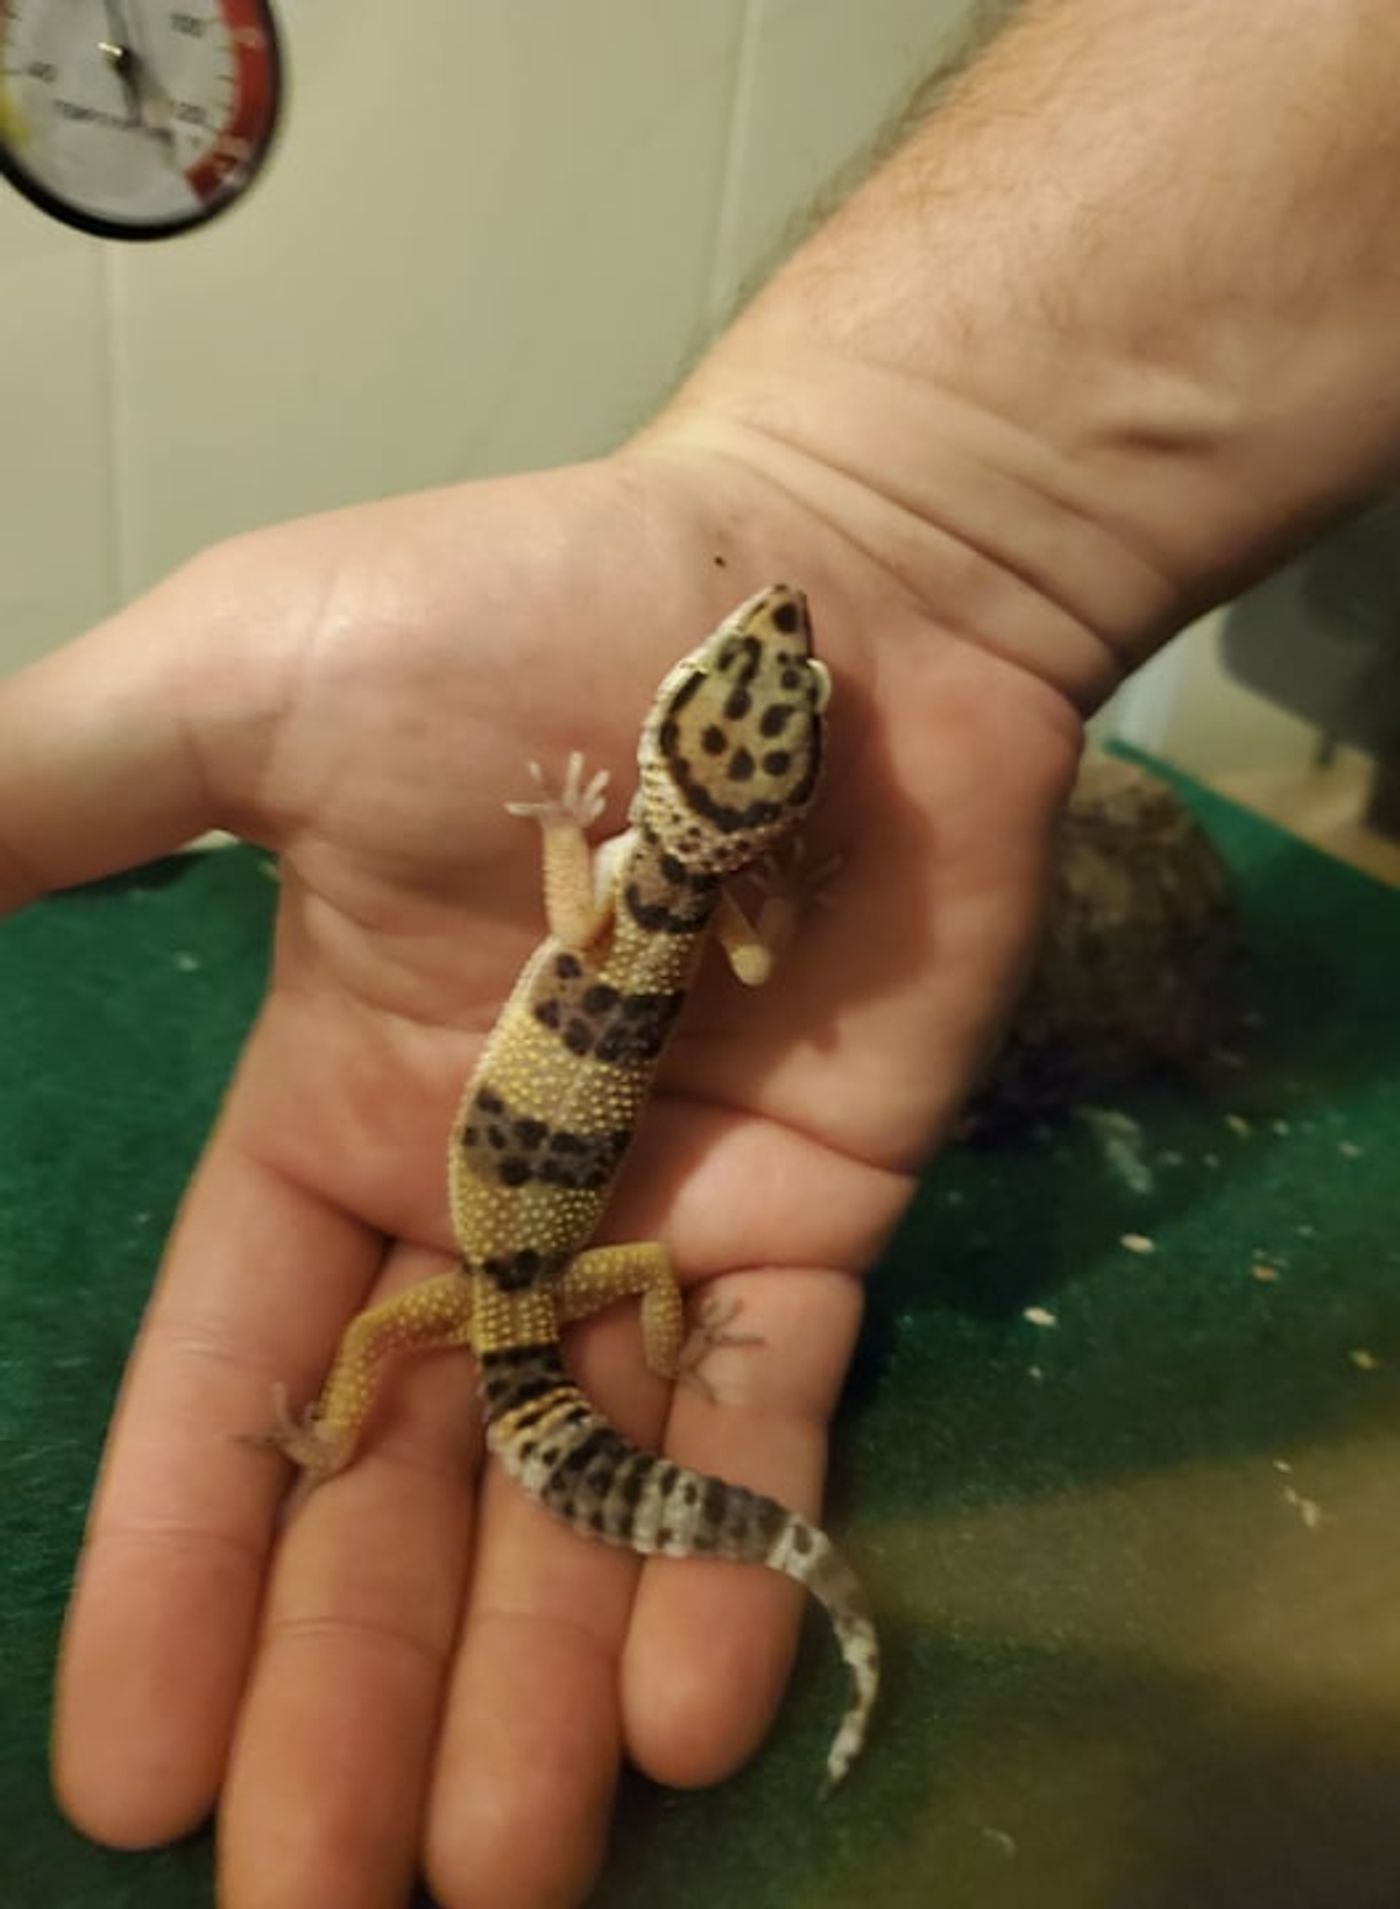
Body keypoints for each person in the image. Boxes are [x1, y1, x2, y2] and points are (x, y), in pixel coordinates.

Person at [4, 2, 1398, 1904]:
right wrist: (781, 909)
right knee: (473, 1357)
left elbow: (602, 905)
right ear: (713, 766)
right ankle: (641, 1502)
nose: (772, 642)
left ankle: (384, 1438)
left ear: (687, 751)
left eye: (763, 673)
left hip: (528, 1257)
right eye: (758, 666)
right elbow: (733, 959)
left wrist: (569, 842)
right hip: (548, 1255)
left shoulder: (618, 893)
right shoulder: (712, 909)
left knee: (412, 1360)